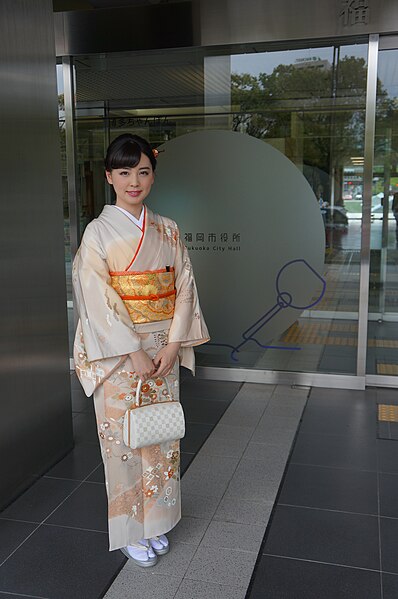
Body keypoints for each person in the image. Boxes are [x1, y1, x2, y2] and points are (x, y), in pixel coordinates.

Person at [72, 133, 209, 567]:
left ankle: (159, 521)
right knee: (124, 441)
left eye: (143, 171)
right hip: (121, 357)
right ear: (110, 177)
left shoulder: (168, 229)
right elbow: (93, 295)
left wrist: (172, 344)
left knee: (161, 437)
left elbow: (184, 286)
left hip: (162, 350)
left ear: (153, 175)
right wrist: (132, 351)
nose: (135, 181)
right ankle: (132, 528)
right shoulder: (98, 232)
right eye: (125, 172)